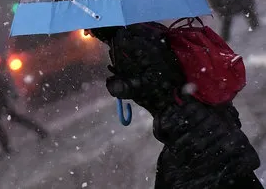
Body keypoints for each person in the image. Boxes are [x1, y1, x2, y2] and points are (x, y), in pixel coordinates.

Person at [90, 24, 262, 189]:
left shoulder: (129, 38)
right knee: (230, 170)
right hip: (194, 119)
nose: (87, 33)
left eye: (88, 28)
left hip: (189, 123)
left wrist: (125, 86)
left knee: (221, 171)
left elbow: (162, 79)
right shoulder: (132, 34)